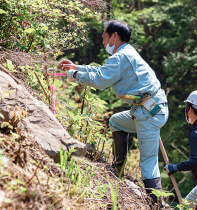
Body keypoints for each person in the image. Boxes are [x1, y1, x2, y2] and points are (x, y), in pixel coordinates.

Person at [59, 20, 169, 207]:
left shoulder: (121, 57)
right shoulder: (127, 53)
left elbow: (101, 80)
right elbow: (102, 71)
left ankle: (157, 203)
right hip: (148, 110)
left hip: (148, 112)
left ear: (114, 36)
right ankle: (118, 169)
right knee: (117, 121)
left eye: (104, 38)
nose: (103, 42)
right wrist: (77, 68)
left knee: (148, 161)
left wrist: (74, 76)